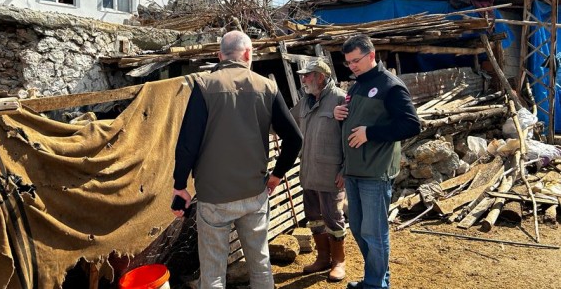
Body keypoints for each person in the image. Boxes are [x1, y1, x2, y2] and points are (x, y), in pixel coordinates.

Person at [172, 30, 303, 289]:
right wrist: (277, 175)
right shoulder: (267, 86)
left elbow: (187, 144)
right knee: (261, 264)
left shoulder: (204, 85)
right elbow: (295, 139)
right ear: (248, 54)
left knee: (213, 272)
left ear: (220, 56)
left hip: (214, 197)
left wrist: (180, 185)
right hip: (254, 193)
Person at [333, 34, 420, 289]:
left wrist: (370, 133)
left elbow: (411, 125)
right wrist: (340, 114)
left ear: (371, 55)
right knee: (359, 229)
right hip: (355, 169)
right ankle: (378, 279)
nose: (352, 66)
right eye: (348, 63)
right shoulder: (358, 84)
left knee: (374, 232)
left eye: (356, 61)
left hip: (376, 170)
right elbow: (357, 114)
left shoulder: (391, 86)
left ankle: (375, 284)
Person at [291, 59, 348, 281]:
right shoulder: (305, 102)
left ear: (320, 77)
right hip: (309, 172)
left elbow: (350, 138)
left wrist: (346, 169)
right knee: (314, 217)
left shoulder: (341, 98)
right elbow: (286, 120)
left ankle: (338, 262)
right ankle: (323, 258)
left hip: (331, 173)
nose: (303, 79)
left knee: (333, 218)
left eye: (307, 75)